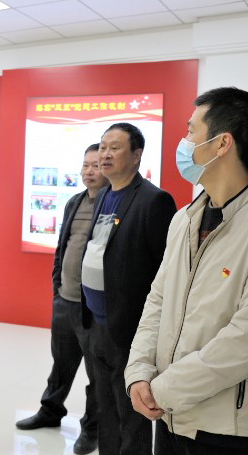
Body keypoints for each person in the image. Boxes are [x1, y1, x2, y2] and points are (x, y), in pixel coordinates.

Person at [125, 87, 248, 455]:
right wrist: (139, 372)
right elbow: (158, 300)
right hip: (170, 416)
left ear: (222, 143)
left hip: (232, 427)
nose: (184, 142)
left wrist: (162, 390)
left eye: (191, 130)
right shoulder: (184, 219)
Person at [80, 123, 176, 454]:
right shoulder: (104, 193)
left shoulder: (154, 200)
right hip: (97, 322)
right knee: (105, 407)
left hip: (129, 326)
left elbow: (166, 271)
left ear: (136, 155)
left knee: (130, 413)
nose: (105, 154)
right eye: (102, 146)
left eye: (115, 147)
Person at [16, 143, 108, 455]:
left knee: (96, 373)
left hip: (93, 308)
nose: (89, 171)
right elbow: (63, 246)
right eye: (85, 165)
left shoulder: (113, 204)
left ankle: (92, 428)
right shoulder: (74, 201)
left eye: (96, 165)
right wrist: (57, 285)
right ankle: (50, 411)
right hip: (65, 299)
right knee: (61, 364)